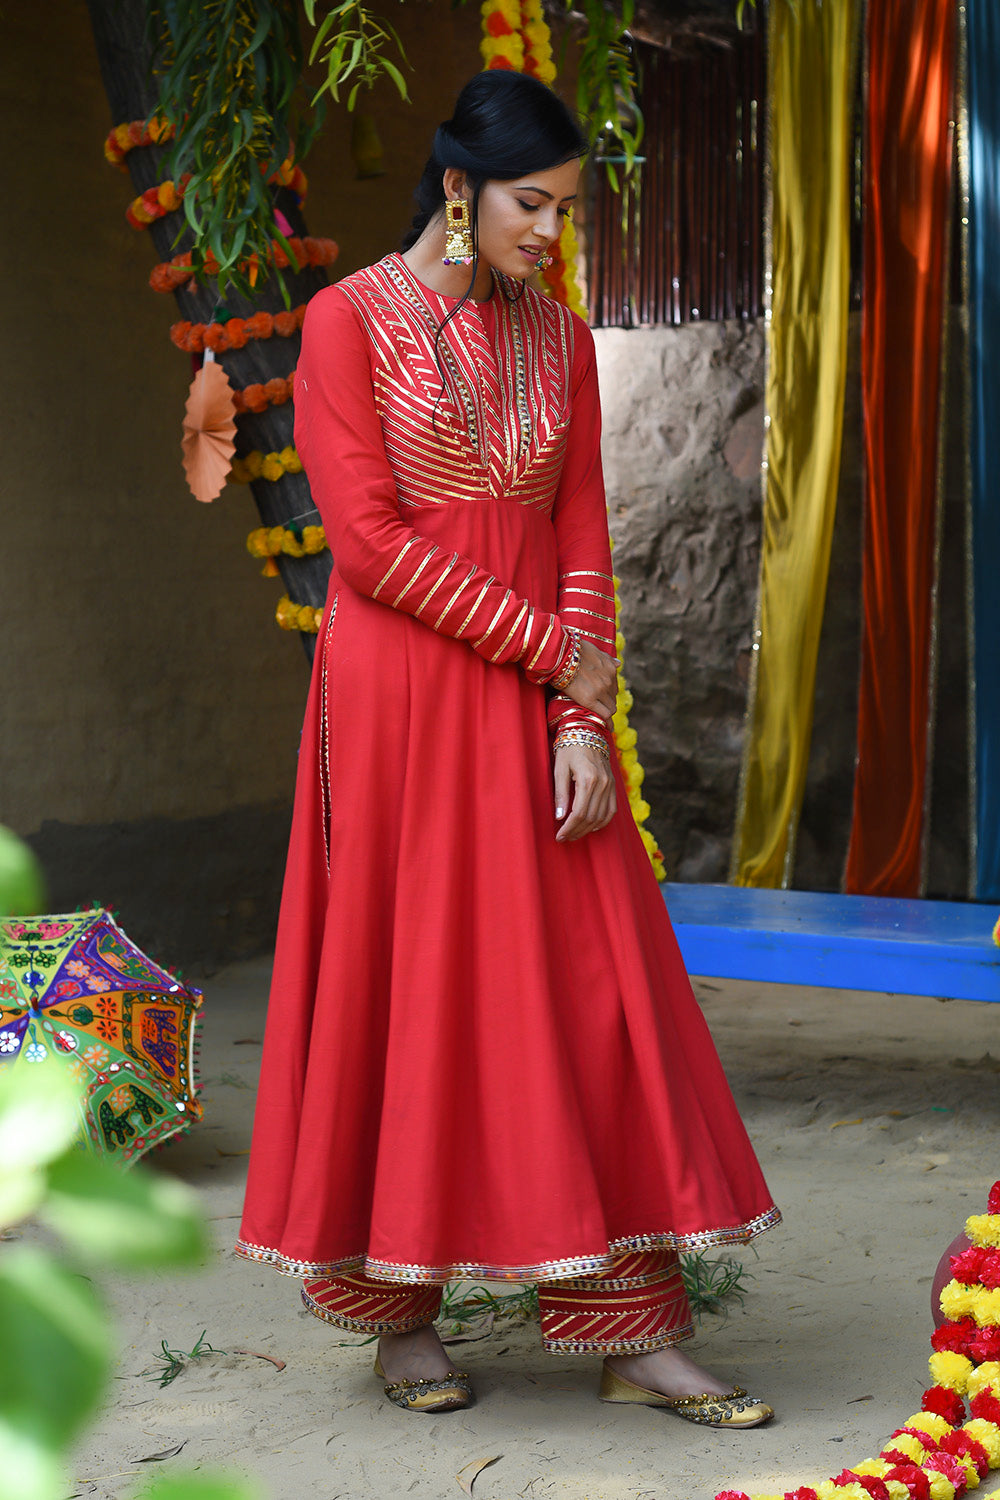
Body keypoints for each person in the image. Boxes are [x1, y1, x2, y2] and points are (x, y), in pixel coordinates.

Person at [237, 69, 780, 1426]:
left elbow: (577, 535)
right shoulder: (344, 322)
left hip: (537, 704)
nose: (550, 232)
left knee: (595, 987)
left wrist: (582, 718)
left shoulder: (564, 338)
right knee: (411, 981)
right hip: (401, 708)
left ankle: (632, 1326)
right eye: (531, 205)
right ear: (459, 188)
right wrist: (554, 659)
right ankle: (400, 1318)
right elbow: (367, 547)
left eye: (564, 209)